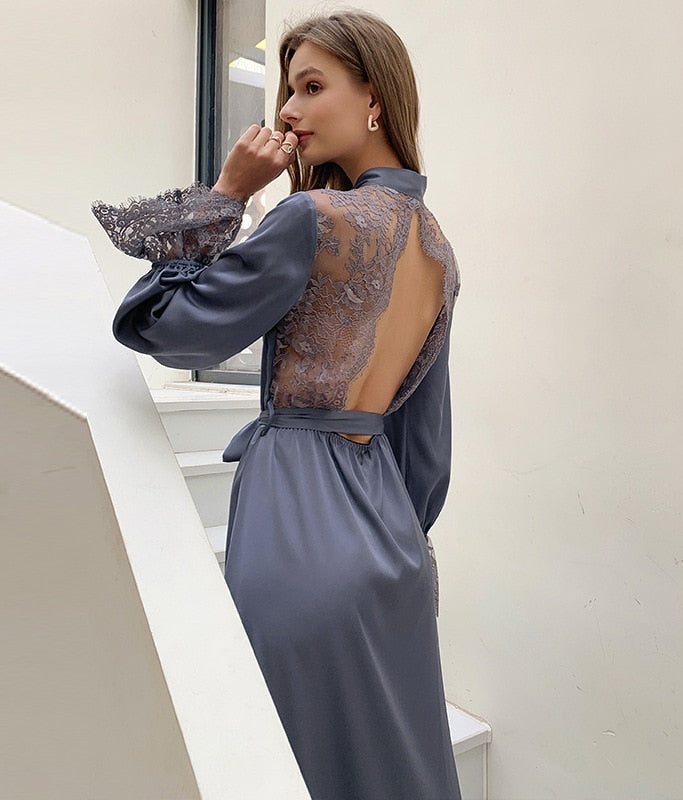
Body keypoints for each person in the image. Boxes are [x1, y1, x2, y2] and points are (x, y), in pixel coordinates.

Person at [93, 10, 461, 799]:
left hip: (299, 530)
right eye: (287, 91)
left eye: (311, 87)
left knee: (285, 765)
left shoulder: (312, 219)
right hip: (392, 548)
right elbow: (426, 449)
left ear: (375, 98)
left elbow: (162, 326)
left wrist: (228, 193)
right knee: (391, 767)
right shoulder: (437, 248)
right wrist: (399, 542)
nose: (288, 111)